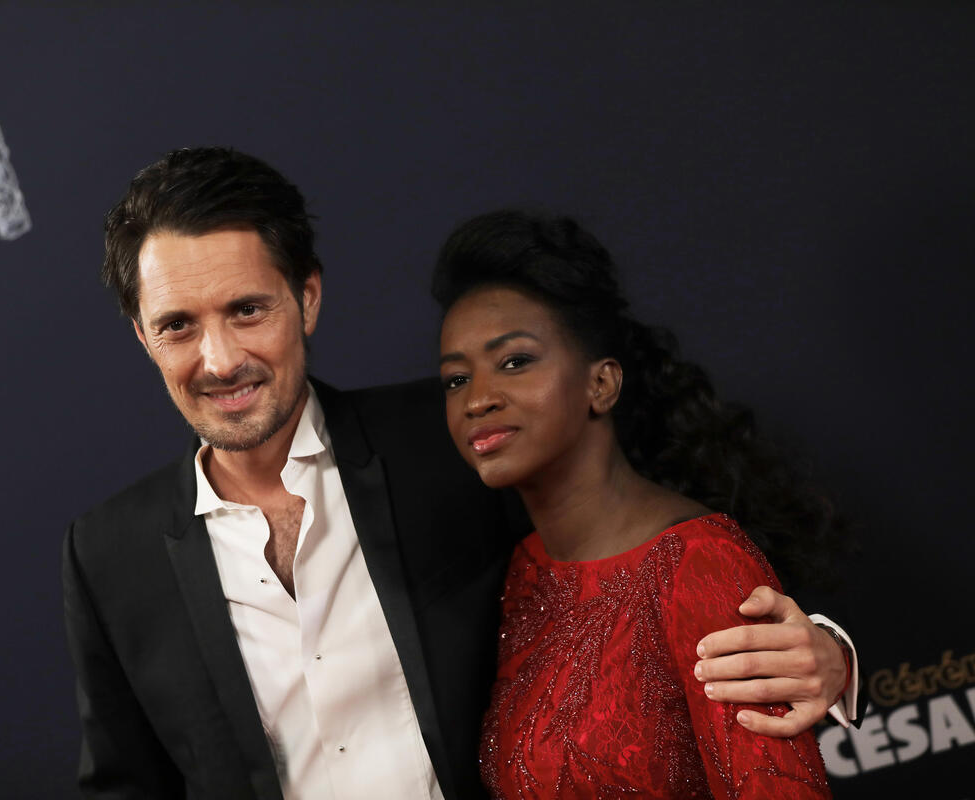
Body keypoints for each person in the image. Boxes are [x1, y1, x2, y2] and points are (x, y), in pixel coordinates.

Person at [62, 147, 858, 799]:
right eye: (178, 325)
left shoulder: (452, 439)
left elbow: (642, 550)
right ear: (142, 336)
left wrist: (824, 652)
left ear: (306, 299)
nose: (220, 359)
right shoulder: (109, 556)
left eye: (247, 310)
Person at [433, 210, 845, 798]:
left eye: (515, 362)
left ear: (601, 384)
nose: (477, 400)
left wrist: (838, 655)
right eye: (456, 379)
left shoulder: (697, 563)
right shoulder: (524, 570)